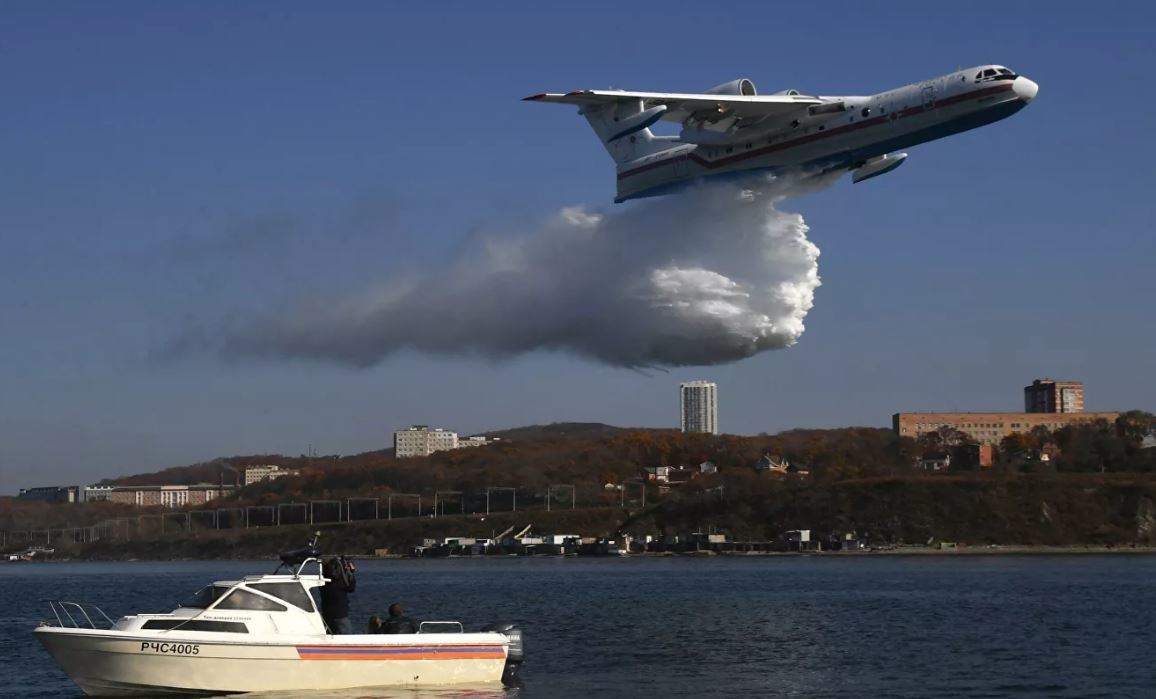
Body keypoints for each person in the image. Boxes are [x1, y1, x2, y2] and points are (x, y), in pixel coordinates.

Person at [319, 556, 356, 635]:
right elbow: (351, 588)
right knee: (346, 638)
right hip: (340, 615)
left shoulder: (323, 583)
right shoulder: (340, 583)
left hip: (327, 616)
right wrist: (351, 572)